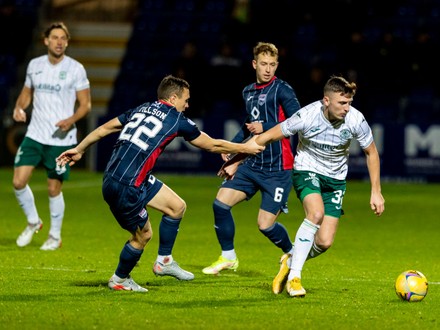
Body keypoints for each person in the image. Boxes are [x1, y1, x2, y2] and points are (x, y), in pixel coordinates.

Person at [56, 75, 265, 292]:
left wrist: (79, 149)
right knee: (143, 236)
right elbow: (212, 145)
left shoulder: (142, 108)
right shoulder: (175, 119)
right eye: (185, 99)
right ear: (173, 98)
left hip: (120, 177)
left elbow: (103, 129)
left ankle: (164, 261)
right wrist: (245, 148)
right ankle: (119, 279)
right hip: (127, 186)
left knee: (177, 207)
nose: (187, 104)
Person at [239, 75, 385, 297]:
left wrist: (376, 191)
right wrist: (237, 158)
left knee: (325, 242)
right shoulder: (306, 116)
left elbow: (371, 152)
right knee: (315, 214)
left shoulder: (356, 119)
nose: (347, 108)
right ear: (326, 101)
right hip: (307, 170)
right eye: (342, 103)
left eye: (349, 103)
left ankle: (290, 260)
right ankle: (295, 278)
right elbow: (268, 136)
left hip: (335, 180)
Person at [202, 42, 301, 285]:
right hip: (253, 164)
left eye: (272, 65)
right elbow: (249, 125)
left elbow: (299, 120)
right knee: (220, 204)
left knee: (265, 225)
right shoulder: (248, 91)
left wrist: (266, 127)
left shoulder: (282, 90)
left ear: (277, 65)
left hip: (278, 168)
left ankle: (293, 254)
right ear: (254, 64)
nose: (268, 69)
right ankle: (228, 257)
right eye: (263, 64)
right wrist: (231, 152)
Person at [12, 22, 91, 250]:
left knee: (53, 189)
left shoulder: (76, 69)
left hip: (60, 139)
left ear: (67, 42)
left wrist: (71, 120)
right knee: (18, 182)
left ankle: (55, 236)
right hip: (35, 134)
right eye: (55, 37)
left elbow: (85, 105)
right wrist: (19, 107)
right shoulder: (35, 65)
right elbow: (26, 93)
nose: (59, 42)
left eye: (63, 38)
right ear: (46, 40)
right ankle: (33, 221)